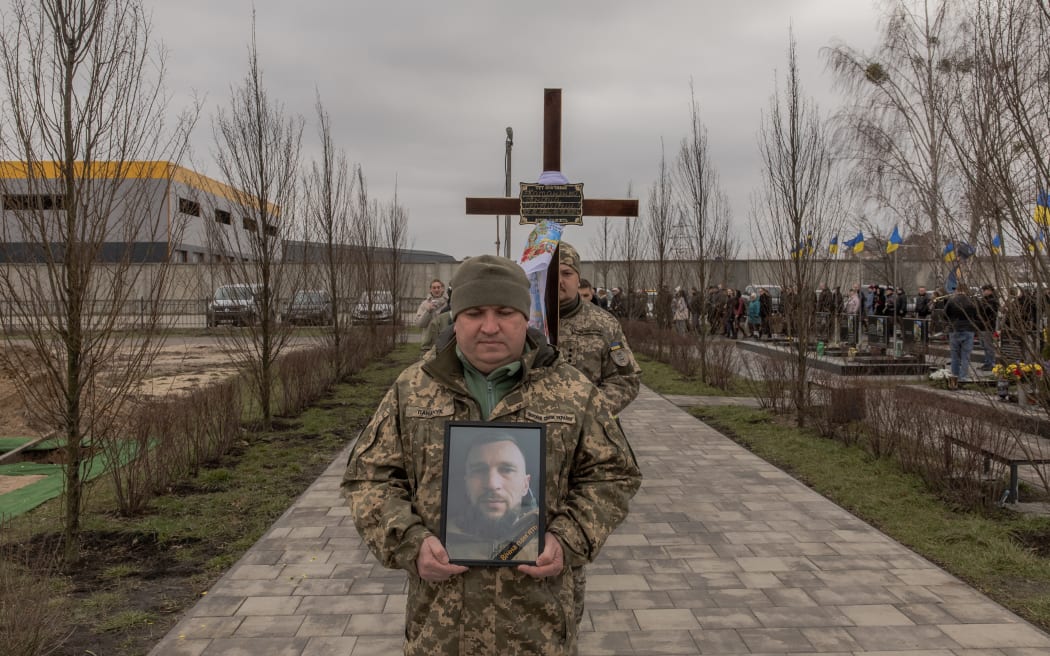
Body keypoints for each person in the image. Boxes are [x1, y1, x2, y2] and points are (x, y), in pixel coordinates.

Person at [344, 254, 641, 655]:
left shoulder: (572, 391)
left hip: (538, 627)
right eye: (474, 313)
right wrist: (409, 542)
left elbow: (613, 475)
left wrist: (568, 537)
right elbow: (369, 477)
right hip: (441, 628)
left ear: (525, 317)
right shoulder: (412, 391)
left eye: (504, 312)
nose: (489, 326)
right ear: (455, 319)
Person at [556, 243, 641, 417]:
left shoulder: (604, 323)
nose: (559, 281)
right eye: (551, 274)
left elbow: (625, 380)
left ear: (578, 279)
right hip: (530, 436)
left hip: (587, 431)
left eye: (567, 273)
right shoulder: (523, 321)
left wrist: (587, 413)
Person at [445, 433, 539, 562]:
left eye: (507, 470)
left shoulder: (549, 539)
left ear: (525, 485)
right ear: (466, 484)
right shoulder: (438, 542)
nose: (492, 484)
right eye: (479, 470)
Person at [944, 285, 978, 386]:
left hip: (954, 329)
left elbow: (945, 314)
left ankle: (954, 376)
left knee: (954, 355)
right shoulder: (972, 301)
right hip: (968, 329)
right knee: (965, 356)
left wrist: (951, 321)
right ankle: (963, 377)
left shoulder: (951, 301)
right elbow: (975, 315)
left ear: (957, 290)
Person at [414, 278, 448, 353]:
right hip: (427, 346)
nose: (436, 290)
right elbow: (419, 324)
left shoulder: (448, 304)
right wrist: (428, 311)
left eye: (438, 287)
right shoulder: (424, 304)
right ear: (430, 289)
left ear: (442, 289)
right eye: (434, 287)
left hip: (445, 345)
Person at [975, 284, 999, 372]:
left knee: (989, 346)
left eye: (984, 290)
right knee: (984, 346)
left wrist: (981, 304)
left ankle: (991, 363)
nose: (983, 292)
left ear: (989, 290)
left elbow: (988, 311)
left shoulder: (993, 300)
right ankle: (987, 362)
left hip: (988, 326)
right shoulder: (984, 300)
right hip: (981, 326)